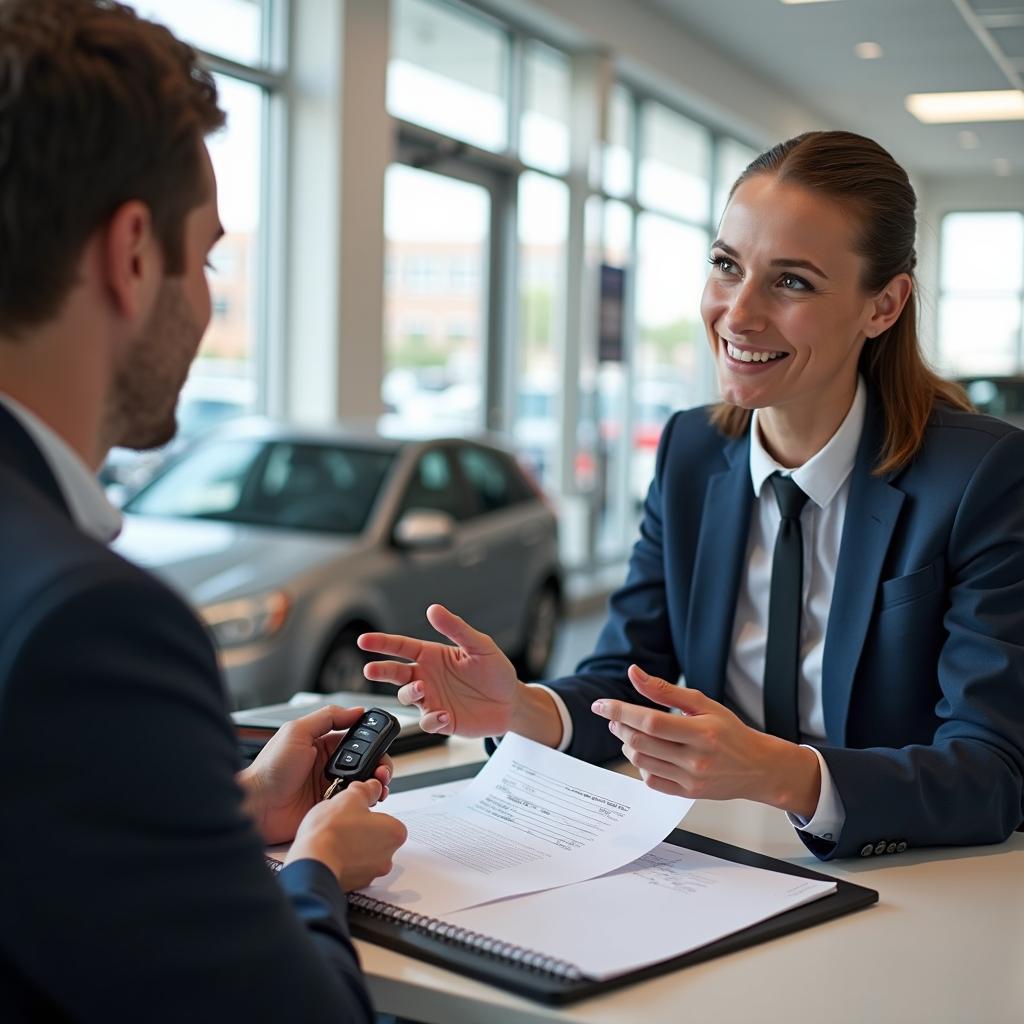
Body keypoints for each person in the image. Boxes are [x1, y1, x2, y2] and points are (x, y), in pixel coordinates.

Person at [359, 130, 1024, 861]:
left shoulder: (980, 478)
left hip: (905, 877)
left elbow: (993, 772)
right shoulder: (690, 452)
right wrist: (524, 708)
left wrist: (783, 775)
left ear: (883, 306)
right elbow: (627, 676)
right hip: (713, 860)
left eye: (792, 281)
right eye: (726, 266)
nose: (738, 314)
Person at [0, 1, 405, 1019]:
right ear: (133, 254)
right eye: (209, 256)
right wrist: (317, 865)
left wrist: (232, 808)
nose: (207, 299)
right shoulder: (88, 622)